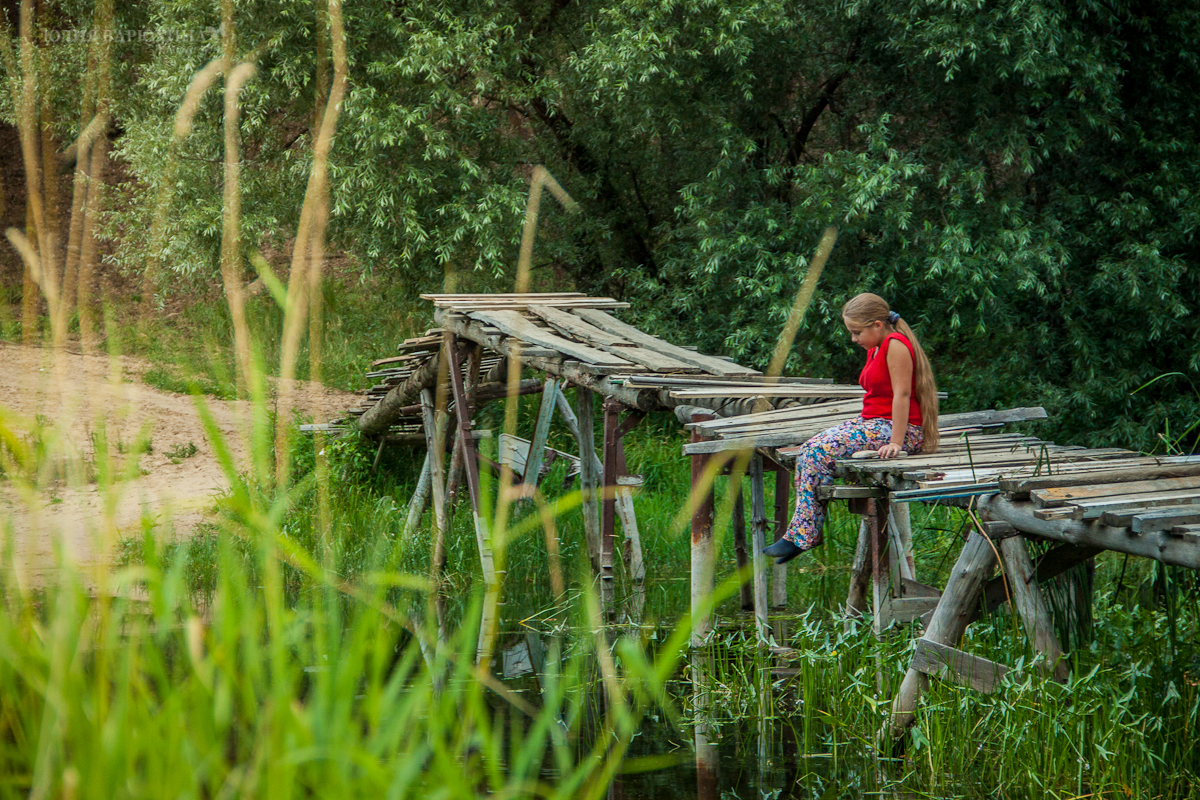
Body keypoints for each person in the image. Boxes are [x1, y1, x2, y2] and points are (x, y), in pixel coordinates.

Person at [762, 293, 940, 563]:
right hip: (875, 424)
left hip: (898, 430)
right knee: (809, 449)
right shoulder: (876, 348)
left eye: (857, 332)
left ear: (877, 325)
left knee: (815, 453)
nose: (854, 339)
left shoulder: (896, 345)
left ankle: (803, 535)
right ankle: (803, 532)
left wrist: (896, 442)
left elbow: (902, 395)